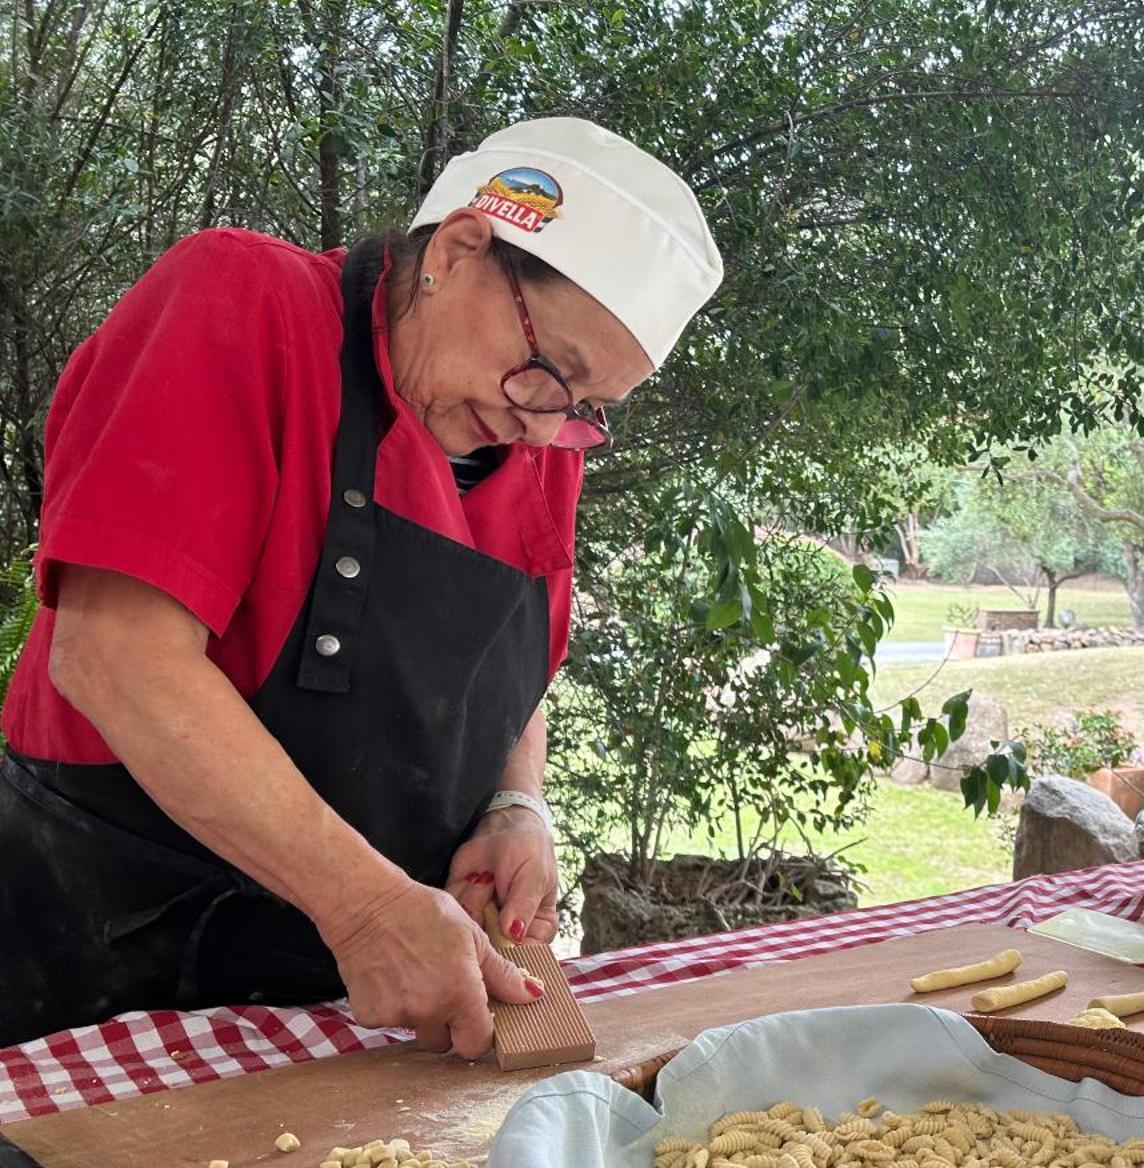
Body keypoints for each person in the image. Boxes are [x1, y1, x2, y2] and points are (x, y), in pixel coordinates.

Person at [0, 119, 723, 1053]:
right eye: (555, 373)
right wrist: (368, 908)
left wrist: (516, 805)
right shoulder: (241, 302)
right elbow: (114, 657)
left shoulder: (532, 436)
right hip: (98, 960)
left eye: (589, 411)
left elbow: (509, 672)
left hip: (340, 999)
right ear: (458, 252)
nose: (549, 431)